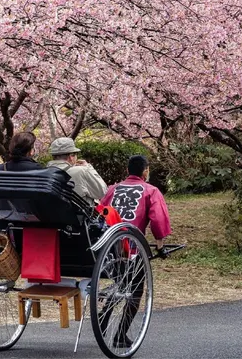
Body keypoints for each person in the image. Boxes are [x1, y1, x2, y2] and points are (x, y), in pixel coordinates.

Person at [98, 154, 172, 348]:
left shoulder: (113, 189)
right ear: (145, 171)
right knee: (136, 290)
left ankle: (103, 322)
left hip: (109, 249)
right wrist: (160, 246)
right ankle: (121, 335)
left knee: (120, 283)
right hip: (133, 249)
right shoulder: (150, 190)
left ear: (127, 170)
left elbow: (99, 213)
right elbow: (158, 219)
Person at [47, 137, 107, 206]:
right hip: (80, 216)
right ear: (71, 157)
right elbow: (102, 192)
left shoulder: (45, 172)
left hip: (53, 215)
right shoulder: (80, 171)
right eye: (75, 154)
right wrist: (88, 167)